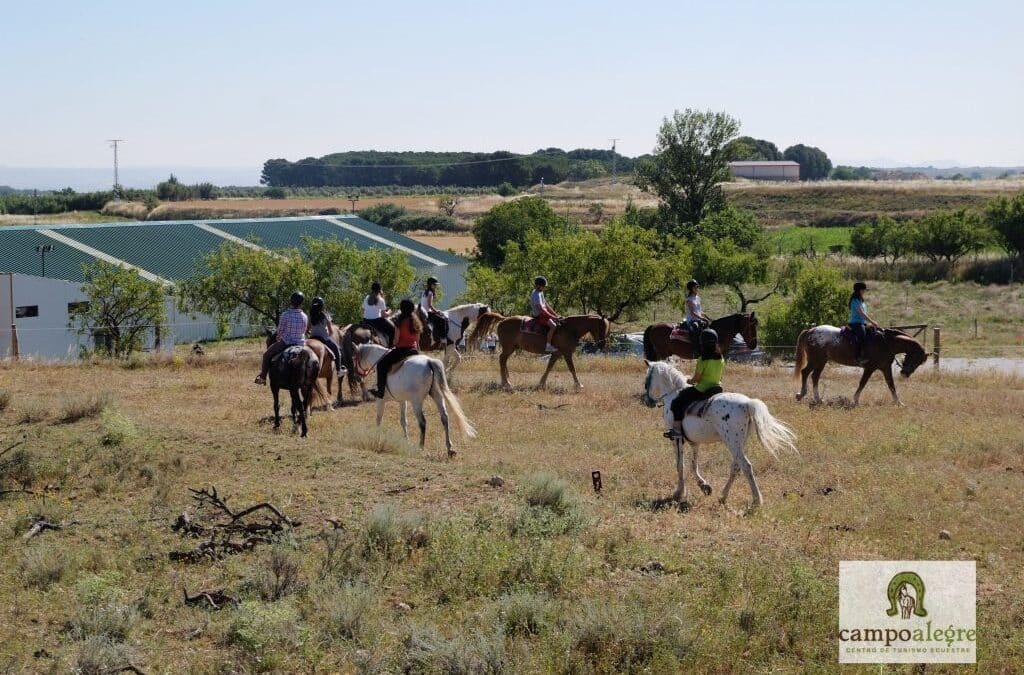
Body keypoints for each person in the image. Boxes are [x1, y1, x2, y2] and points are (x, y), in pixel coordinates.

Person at [665, 329, 725, 440]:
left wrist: (689, 380)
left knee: (676, 402)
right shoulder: (721, 358)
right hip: (716, 388)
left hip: (702, 389)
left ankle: (677, 430)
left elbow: (696, 379)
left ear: (702, 343)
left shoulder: (702, 360)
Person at [370, 298, 422, 399]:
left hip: (402, 351)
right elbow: (417, 340)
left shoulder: (399, 322)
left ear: (402, 309)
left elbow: (396, 340)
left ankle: (380, 392)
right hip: (413, 350)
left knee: (381, 365)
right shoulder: (416, 322)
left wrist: (393, 344)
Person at [255, 291, 308, 385]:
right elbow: (304, 331)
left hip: (286, 342)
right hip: (301, 344)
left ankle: (263, 377)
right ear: (301, 302)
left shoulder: (285, 314)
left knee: (266, 355)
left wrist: (278, 338)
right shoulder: (305, 316)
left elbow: (280, 331)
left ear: (291, 301)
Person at [308, 297, 344, 375]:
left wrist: (311, 332)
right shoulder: (326, 315)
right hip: (323, 338)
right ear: (322, 305)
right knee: (337, 350)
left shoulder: (310, 315)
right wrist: (328, 334)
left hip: (312, 337)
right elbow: (331, 331)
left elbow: (307, 329)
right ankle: (339, 370)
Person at [849, 281, 880, 365]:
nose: (864, 291)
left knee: (873, 332)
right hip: (855, 323)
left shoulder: (860, 300)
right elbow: (862, 313)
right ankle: (858, 357)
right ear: (859, 290)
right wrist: (872, 322)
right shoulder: (855, 301)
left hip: (862, 323)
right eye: (863, 290)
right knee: (862, 335)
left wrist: (868, 323)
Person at [530, 276, 561, 353]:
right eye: (543, 286)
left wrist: (556, 315)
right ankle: (548, 346)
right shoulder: (536, 295)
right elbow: (542, 309)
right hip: (539, 315)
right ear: (538, 286)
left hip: (543, 313)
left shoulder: (540, 292)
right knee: (553, 326)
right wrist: (553, 317)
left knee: (557, 321)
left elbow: (546, 305)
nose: (544, 288)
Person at [362, 281, 396, 346]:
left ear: (372, 289)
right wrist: (389, 311)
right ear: (380, 290)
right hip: (376, 322)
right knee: (393, 329)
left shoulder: (366, 297)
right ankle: (391, 347)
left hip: (365, 321)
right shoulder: (381, 300)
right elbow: (383, 315)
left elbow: (363, 310)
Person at [420, 276, 447, 345]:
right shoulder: (430, 293)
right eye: (434, 285)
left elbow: (425, 305)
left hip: (422, 311)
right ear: (431, 284)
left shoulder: (424, 292)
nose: (435, 286)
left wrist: (434, 311)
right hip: (427, 313)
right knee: (442, 320)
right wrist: (437, 311)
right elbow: (430, 305)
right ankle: (443, 338)